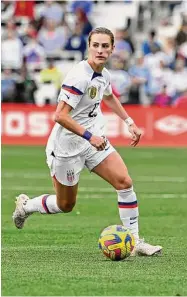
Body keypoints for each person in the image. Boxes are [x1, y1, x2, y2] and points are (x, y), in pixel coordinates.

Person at [13, 27, 162, 256]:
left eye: (105, 46)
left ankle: (134, 242)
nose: (100, 50)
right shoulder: (79, 76)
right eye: (96, 45)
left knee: (124, 182)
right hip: (67, 148)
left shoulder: (103, 74)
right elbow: (59, 116)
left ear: (112, 49)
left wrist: (129, 121)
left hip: (93, 141)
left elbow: (109, 96)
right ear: (89, 47)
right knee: (66, 205)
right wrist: (89, 136)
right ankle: (27, 206)